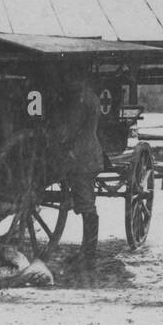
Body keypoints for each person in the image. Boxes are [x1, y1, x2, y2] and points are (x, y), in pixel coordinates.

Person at [54, 67, 105, 268]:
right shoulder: (88, 97)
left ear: (80, 79)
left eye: (70, 78)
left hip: (83, 159)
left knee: (86, 206)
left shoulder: (82, 100)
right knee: (86, 205)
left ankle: (89, 256)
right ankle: (86, 252)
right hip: (86, 156)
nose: (67, 83)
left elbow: (71, 130)